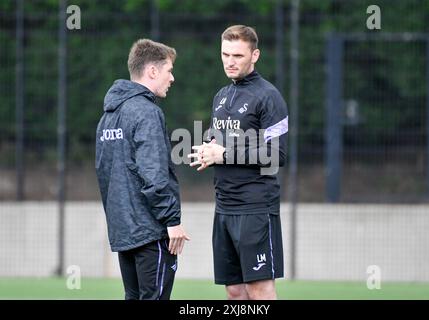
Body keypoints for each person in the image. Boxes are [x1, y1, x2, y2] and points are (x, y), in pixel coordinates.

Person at [188, 25, 288, 300]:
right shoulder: (220, 96)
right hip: (224, 206)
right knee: (234, 290)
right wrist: (208, 149)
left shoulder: (269, 97)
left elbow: (276, 155)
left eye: (238, 55)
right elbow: (221, 139)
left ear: (255, 55)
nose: (230, 61)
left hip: (255, 207)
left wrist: (224, 154)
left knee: (259, 289)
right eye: (225, 54)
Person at [95, 39, 190, 300]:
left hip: (125, 232)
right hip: (150, 232)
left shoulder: (108, 116)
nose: (172, 78)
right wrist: (172, 220)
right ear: (152, 71)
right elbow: (153, 173)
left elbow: (105, 173)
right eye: (169, 70)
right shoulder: (146, 112)